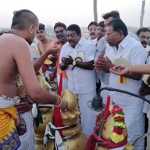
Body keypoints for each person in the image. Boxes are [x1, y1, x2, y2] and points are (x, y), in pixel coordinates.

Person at [0, 9, 59, 150]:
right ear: (32, 28)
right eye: (36, 30)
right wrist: (59, 101)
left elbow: (29, 69)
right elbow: (35, 92)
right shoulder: (20, 43)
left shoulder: (3, 39)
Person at [95, 19, 147, 150]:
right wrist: (103, 66)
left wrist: (110, 66)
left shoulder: (135, 47)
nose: (105, 37)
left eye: (108, 34)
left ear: (120, 32)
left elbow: (137, 75)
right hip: (115, 101)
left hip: (131, 102)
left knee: (132, 138)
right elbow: (110, 70)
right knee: (115, 138)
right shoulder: (109, 47)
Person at [60, 24, 97, 136]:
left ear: (79, 35)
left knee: (88, 118)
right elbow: (61, 67)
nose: (69, 38)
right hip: (72, 89)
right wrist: (64, 64)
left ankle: (89, 142)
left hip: (87, 89)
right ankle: (79, 141)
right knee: (74, 117)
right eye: (68, 36)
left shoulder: (88, 45)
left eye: (72, 35)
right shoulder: (65, 47)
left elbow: (91, 65)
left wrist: (74, 62)